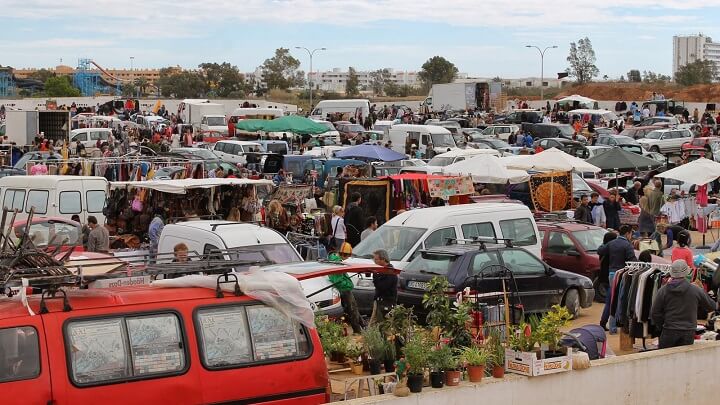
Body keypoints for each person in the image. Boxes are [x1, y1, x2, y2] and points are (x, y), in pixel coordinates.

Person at [650, 260, 717, 349]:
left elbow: (655, 312)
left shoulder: (663, 291)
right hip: (688, 332)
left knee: (666, 360)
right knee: (684, 361)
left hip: (669, 330)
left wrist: (663, 325)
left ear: (671, 273)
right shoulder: (695, 290)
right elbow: (711, 306)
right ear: (687, 272)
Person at [598, 225, 637, 331]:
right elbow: (633, 261)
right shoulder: (627, 245)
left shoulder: (611, 243)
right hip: (621, 275)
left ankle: (606, 323)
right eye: (631, 234)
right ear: (628, 233)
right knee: (618, 301)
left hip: (611, 275)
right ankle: (613, 326)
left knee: (612, 299)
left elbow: (600, 251)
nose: (631, 236)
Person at [328, 242, 363, 333]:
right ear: (345, 254)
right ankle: (357, 330)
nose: (348, 258)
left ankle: (362, 324)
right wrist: (349, 285)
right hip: (344, 290)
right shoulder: (337, 263)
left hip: (342, 289)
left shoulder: (333, 259)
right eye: (348, 255)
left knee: (354, 309)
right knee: (352, 310)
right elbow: (338, 280)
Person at [369, 249, 397, 326]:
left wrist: (375, 276)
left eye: (376, 259)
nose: (374, 261)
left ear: (383, 259)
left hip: (386, 302)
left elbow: (382, 287)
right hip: (379, 301)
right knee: (373, 323)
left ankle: (379, 337)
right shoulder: (383, 270)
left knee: (383, 324)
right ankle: (369, 336)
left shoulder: (390, 272)